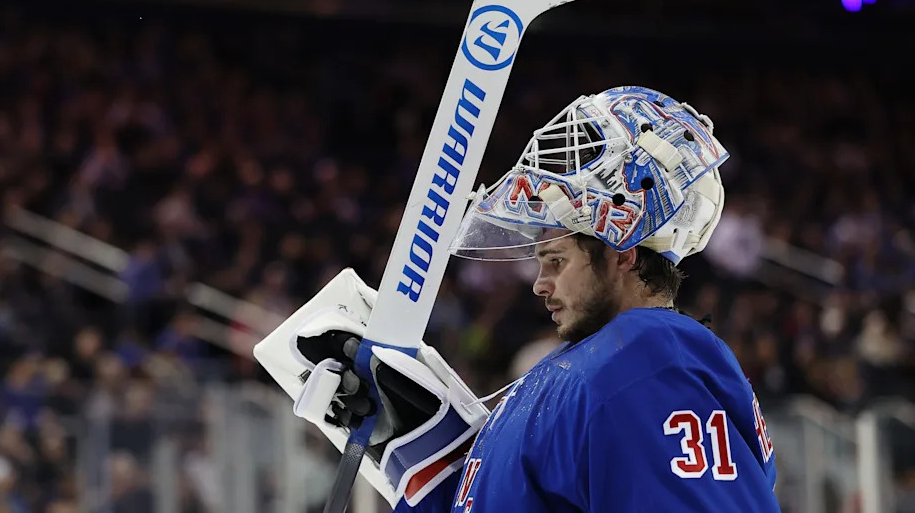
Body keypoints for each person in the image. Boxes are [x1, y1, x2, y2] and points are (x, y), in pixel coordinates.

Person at [257, 87, 779, 511]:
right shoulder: (588, 371)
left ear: (623, 252)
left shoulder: (641, 361)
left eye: (556, 259)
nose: (539, 283)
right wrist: (421, 454)